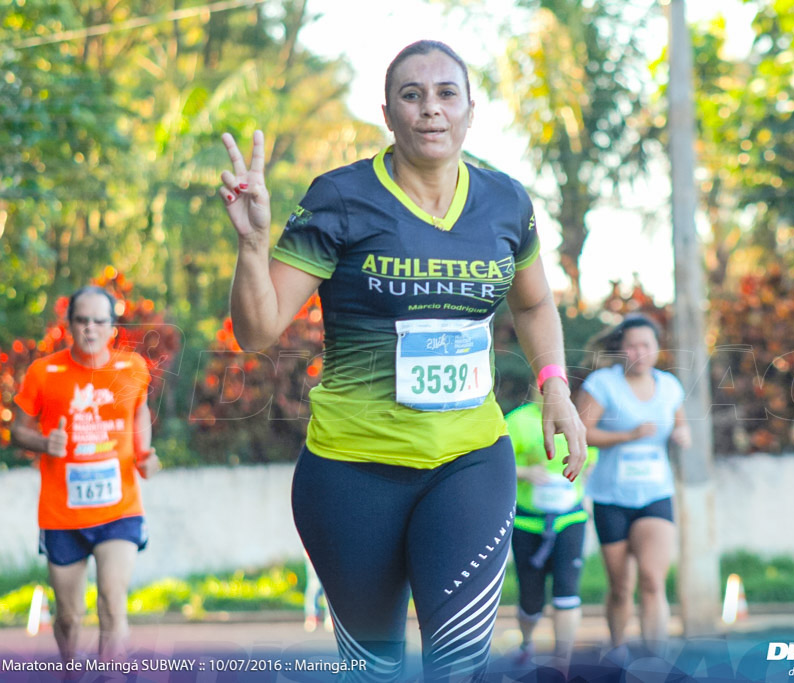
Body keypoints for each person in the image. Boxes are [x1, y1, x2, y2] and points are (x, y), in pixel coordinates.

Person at [219, 39, 587, 681]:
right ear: (387, 113)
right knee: (374, 670)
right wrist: (252, 246)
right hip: (350, 475)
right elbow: (258, 330)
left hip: (470, 460)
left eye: (447, 94)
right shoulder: (340, 198)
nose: (431, 110)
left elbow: (532, 306)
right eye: (411, 96)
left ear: (471, 109)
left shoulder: (506, 203)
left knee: (458, 665)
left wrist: (554, 387)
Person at [11, 285, 161, 663]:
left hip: (119, 510)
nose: (90, 329)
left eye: (99, 321)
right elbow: (17, 430)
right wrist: (46, 443)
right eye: (82, 321)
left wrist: (145, 453)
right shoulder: (44, 373)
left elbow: (139, 411)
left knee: (112, 605)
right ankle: (70, 670)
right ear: (69, 325)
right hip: (62, 515)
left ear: (112, 327)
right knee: (69, 617)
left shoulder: (133, 368)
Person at [575, 314, 689, 655]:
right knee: (621, 586)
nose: (639, 351)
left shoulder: (669, 386)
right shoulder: (602, 384)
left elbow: (680, 425)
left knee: (653, 581)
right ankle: (618, 648)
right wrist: (628, 435)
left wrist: (683, 434)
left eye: (646, 345)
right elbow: (582, 433)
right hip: (611, 495)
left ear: (657, 348)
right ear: (621, 350)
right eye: (632, 345)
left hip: (655, 493)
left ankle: (656, 659)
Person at [505, 391, 597, 672]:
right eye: (541, 383)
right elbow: (501, 464)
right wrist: (526, 472)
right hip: (527, 521)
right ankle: (526, 641)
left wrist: (582, 482)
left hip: (569, 517)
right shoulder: (517, 421)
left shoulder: (575, 418)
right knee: (531, 602)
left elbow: (589, 458)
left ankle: (562, 663)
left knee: (567, 592)